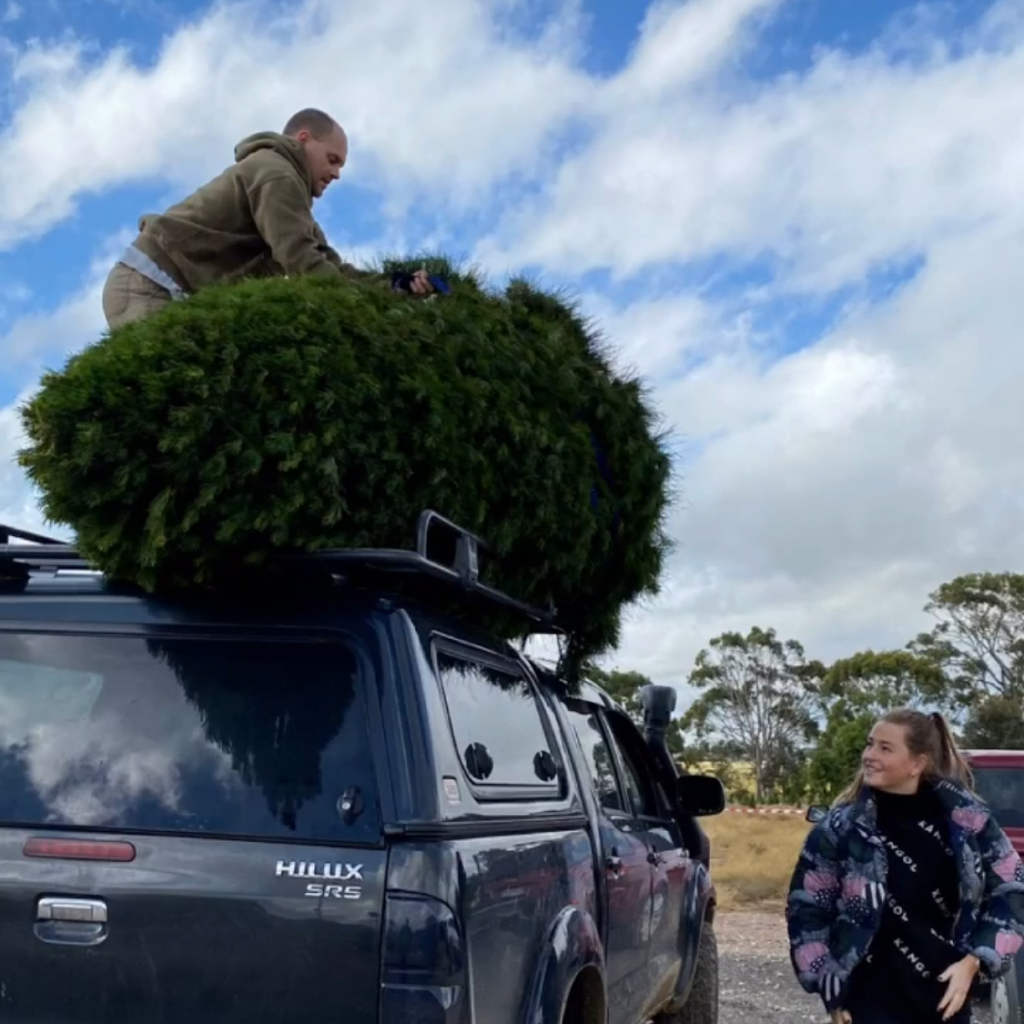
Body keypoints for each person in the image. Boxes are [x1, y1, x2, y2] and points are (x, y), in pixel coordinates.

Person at [787, 708, 1024, 1024]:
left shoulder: (969, 823)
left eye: (885, 748)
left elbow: (1012, 893)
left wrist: (974, 962)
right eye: (870, 744)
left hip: (944, 998)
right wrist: (830, 984)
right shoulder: (840, 828)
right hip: (866, 1002)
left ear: (918, 763)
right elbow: (807, 910)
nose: (869, 755)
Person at [101, 107, 433, 329]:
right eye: (332, 160)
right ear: (303, 139)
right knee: (178, 400)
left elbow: (327, 264)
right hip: (148, 285)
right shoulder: (278, 175)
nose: (336, 173)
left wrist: (394, 285)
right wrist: (369, 312)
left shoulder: (288, 195)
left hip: (167, 289)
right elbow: (303, 264)